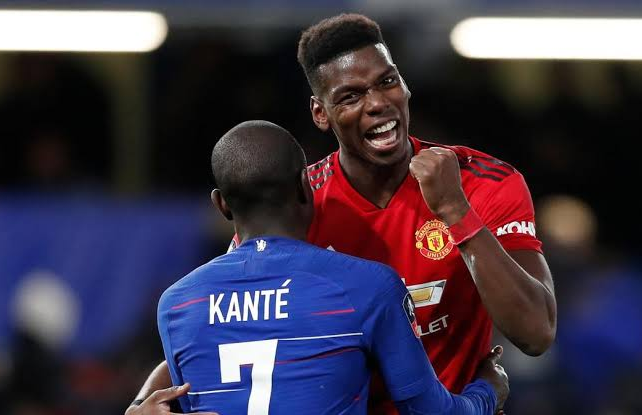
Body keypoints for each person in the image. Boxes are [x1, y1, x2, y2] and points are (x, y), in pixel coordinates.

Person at [127, 13, 555, 414]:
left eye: (387, 82)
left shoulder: (482, 183)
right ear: (321, 113)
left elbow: (536, 333)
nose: (377, 103)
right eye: (351, 96)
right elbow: (230, 325)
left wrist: (456, 212)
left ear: (405, 86)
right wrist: (146, 401)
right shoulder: (296, 204)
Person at [155, 120, 508, 414]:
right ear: (305, 186)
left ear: (221, 205)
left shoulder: (178, 305)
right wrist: (488, 390)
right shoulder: (367, 286)